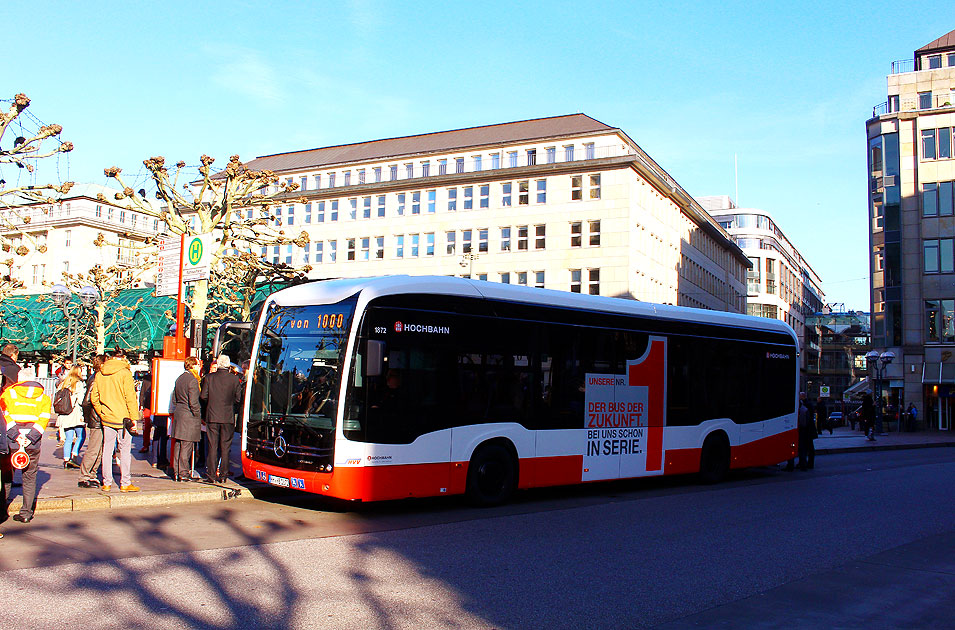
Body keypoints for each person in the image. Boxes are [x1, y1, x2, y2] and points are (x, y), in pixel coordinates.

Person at [1, 368, 52, 523]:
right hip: (33, 443)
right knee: (29, 476)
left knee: (7, 476)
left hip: (12, 441)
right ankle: (26, 513)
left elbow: (4, 416)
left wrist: (17, 435)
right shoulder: (44, 398)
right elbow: (43, 420)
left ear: (19, 378)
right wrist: (30, 438)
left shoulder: (8, 394)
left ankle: (2, 511)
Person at [90, 348, 140, 493]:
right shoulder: (125, 373)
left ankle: (106, 482)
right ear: (123, 357)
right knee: (124, 450)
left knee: (107, 449)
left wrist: (102, 412)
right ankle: (125, 482)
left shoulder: (100, 373)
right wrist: (134, 418)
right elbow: (130, 398)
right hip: (123, 418)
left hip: (107, 417)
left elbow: (94, 397)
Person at [200, 355, 242, 483]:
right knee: (225, 446)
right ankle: (223, 475)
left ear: (218, 364)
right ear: (228, 365)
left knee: (212, 446)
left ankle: (211, 475)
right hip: (228, 416)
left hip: (212, 415)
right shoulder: (234, 379)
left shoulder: (209, 378)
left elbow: (203, 396)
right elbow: (238, 399)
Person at [171, 356, 202, 482]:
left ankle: (177, 471)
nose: (199, 367)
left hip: (179, 414)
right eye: (198, 365)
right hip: (189, 417)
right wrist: (197, 415)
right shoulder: (193, 380)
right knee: (186, 445)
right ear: (193, 365)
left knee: (178, 444)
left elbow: (174, 398)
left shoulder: (179, 379)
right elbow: (194, 402)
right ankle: (184, 473)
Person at [77, 355, 106, 488]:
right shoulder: (96, 379)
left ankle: (92, 474)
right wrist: (89, 418)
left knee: (99, 449)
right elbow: (86, 402)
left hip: (97, 418)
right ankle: (85, 475)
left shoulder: (95, 377)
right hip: (96, 418)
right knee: (94, 448)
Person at [56, 366, 86, 469]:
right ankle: (74, 454)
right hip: (76, 414)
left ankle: (66, 459)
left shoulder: (63, 384)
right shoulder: (78, 384)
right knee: (81, 435)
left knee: (69, 438)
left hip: (65, 414)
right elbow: (81, 400)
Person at [138, 372, 153, 453]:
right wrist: (141, 403)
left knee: (149, 427)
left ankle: (148, 445)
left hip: (152, 406)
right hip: (148, 406)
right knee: (146, 427)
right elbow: (143, 391)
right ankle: (146, 444)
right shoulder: (147, 378)